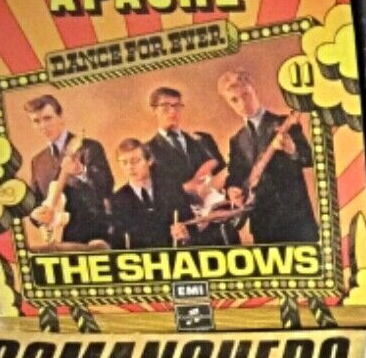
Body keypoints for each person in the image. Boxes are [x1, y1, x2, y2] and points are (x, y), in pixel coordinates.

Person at [219, 67, 319, 244]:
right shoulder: (237, 140)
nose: (242, 103)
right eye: (234, 100)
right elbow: (234, 175)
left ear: (254, 89)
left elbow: (309, 158)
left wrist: (292, 149)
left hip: (295, 220)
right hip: (262, 225)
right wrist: (232, 190)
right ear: (228, 103)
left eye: (245, 95)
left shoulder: (284, 123)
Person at [144, 85, 237, 246]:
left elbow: (225, 175)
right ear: (154, 110)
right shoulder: (147, 151)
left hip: (220, 227)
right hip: (185, 231)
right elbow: (153, 196)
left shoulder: (203, 139)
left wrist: (232, 191)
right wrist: (186, 188)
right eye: (165, 106)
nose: (172, 111)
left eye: (177, 106)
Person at [24, 94, 113, 245]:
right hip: (56, 241)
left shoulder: (89, 148)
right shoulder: (37, 161)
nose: (43, 125)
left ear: (61, 117)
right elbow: (35, 202)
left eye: (47, 118)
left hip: (91, 238)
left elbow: (106, 187)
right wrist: (35, 215)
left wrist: (81, 172)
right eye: (36, 121)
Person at [108, 139, 192, 250]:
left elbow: (192, 227)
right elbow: (117, 245)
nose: (130, 167)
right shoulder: (117, 201)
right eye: (124, 162)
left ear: (150, 160)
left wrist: (186, 236)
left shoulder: (172, 189)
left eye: (135, 161)